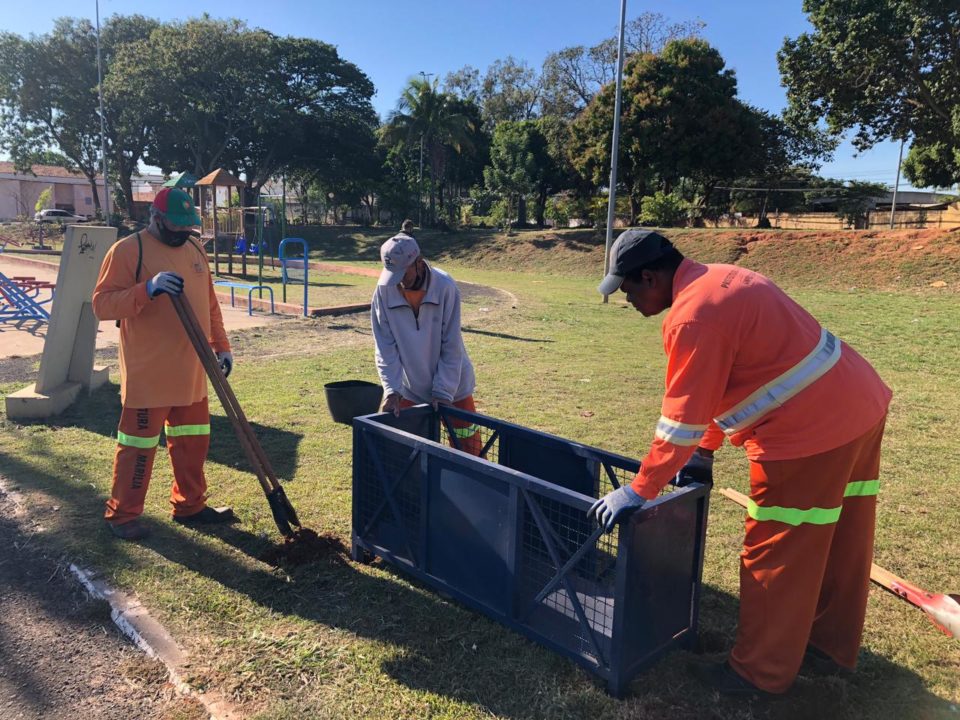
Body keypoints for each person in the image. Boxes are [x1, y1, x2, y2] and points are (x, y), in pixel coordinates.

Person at [588, 229, 892, 696]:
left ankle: (757, 676)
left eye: (627, 289)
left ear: (649, 277)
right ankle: (828, 647)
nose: (627, 300)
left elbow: (681, 420)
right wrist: (705, 452)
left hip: (806, 436)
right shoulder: (725, 278)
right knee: (840, 537)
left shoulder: (691, 318)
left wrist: (639, 489)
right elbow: (726, 383)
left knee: (776, 551)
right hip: (859, 406)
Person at [92, 187, 236, 541]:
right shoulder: (128, 250)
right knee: (138, 449)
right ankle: (122, 515)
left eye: (188, 228)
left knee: (192, 442)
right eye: (176, 228)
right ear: (154, 219)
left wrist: (221, 345)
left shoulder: (194, 247)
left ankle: (191, 506)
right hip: (149, 375)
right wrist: (148, 289)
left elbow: (210, 301)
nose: (182, 235)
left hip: (193, 369)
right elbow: (102, 305)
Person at [370, 220, 481, 455]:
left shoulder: (445, 287)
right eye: (392, 274)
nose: (398, 281)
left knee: (470, 451)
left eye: (403, 274)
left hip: (454, 387)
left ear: (418, 263)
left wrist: (443, 393)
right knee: (410, 456)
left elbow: (451, 345)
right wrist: (391, 390)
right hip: (409, 390)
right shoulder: (383, 291)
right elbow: (385, 347)